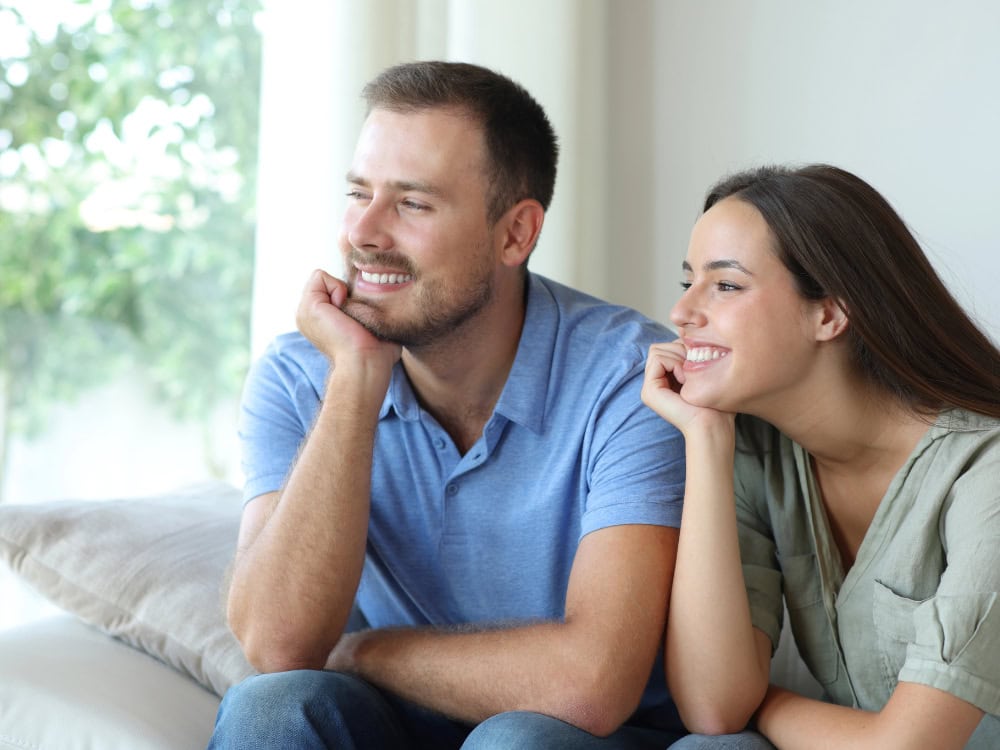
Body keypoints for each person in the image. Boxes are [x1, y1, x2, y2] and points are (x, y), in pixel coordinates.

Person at [208, 60, 689, 749]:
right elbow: (277, 645)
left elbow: (591, 684)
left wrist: (362, 651)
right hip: (396, 723)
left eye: (412, 204)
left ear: (516, 234)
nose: (363, 233)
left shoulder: (631, 381)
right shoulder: (300, 374)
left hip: (587, 737)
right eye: (358, 193)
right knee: (271, 710)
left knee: (518, 742)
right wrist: (356, 378)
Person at [642, 164, 1000, 749]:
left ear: (829, 314)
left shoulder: (986, 471)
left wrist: (764, 703)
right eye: (688, 281)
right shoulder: (756, 452)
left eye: (725, 285)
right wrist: (704, 439)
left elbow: (905, 747)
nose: (682, 312)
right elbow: (711, 707)